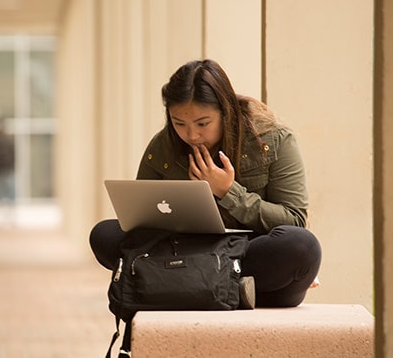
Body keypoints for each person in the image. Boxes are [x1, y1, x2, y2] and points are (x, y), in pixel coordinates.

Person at [90, 59, 322, 311]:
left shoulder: (273, 140)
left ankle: (190, 287)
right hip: (187, 254)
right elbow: (142, 223)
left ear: (226, 111)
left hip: (246, 257)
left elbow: (294, 219)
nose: (191, 135)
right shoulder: (163, 146)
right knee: (104, 234)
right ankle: (225, 290)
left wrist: (228, 192)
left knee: (300, 245)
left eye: (203, 123)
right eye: (179, 123)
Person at [0, 118, 16, 227]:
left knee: (10, 194)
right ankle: (0, 217)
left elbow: (13, 155)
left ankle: (11, 216)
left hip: (7, 170)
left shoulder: (9, 140)